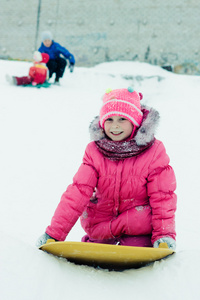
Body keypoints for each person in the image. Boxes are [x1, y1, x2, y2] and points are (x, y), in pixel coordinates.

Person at [36, 87, 177, 250]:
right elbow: (78, 192)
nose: (115, 126)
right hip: (102, 226)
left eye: (122, 119)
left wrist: (164, 235)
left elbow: (162, 197)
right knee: (98, 247)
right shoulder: (94, 151)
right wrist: (54, 234)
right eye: (109, 120)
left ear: (135, 121)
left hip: (137, 226)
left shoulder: (153, 151)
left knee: (133, 249)